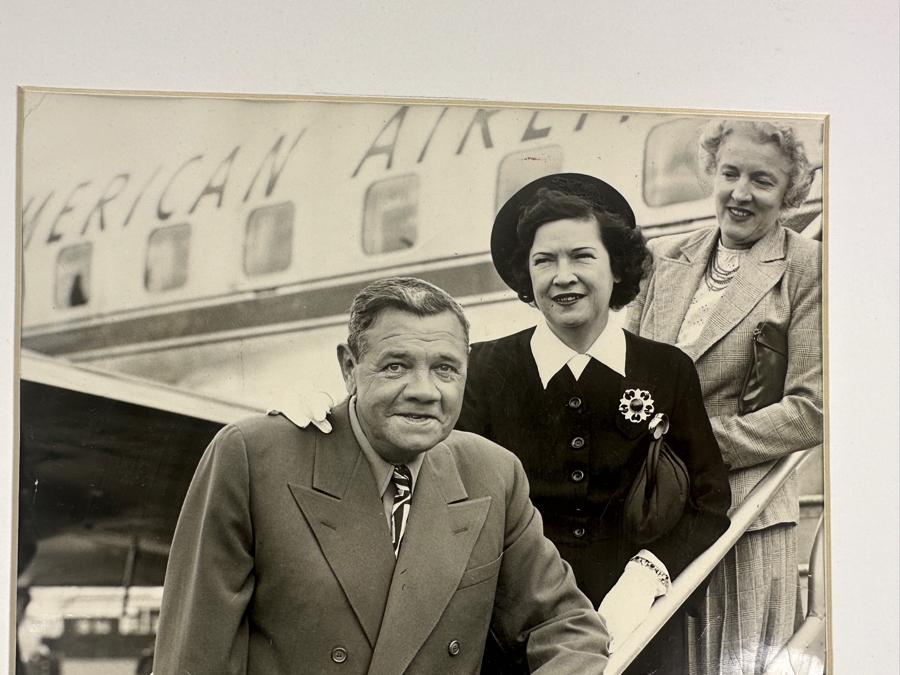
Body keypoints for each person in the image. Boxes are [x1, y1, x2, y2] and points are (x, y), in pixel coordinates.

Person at [153, 277, 611, 675]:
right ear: (349, 368)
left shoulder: (491, 472)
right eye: (396, 366)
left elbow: (564, 626)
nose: (424, 391)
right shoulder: (254, 456)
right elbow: (195, 656)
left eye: (445, 369)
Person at [456, 173, 732, 675]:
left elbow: (709, 501)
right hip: (514, 637)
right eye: (544, 260)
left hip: (641, 629)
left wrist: (648, 575)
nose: (563, 277)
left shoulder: (667, 369)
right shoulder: (483, 368)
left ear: (616, 267)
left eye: (582, 256)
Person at [626, 120, 823, 674]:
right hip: (654, 509)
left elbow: (813, 410)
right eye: (730, 173)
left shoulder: (806, 267)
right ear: (711, 173)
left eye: (762, 180)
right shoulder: (663, 262)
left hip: (745, 513)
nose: (740, 193)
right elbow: (627, 383)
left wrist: (698, 444)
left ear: (789, 193)